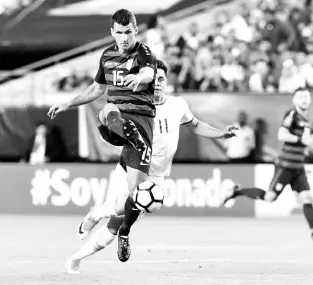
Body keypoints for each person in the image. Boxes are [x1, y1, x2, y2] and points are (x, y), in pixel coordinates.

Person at [65, 60, 237, 274]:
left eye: (161, 79)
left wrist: (221, 133)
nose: (157, 83)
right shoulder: (137, 106)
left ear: (167, 82)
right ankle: (95, 215)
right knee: (119, 208)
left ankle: (77, 257)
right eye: (153, 79)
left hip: (157, 176)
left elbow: (195, 125)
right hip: (131, 166)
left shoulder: (178, 105)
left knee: (113, 228)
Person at [48, 9, 157, 262]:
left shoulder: (144, 53)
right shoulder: (106, 56)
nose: (124, 38)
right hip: (119, 124)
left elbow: (149, 73)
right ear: (112, 33)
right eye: (119, 33)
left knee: (129, 203)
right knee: (107, 109)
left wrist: (139, 77)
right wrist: (68, 103)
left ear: (136, 30)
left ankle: (98, 217)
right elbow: (97, 88)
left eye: (128, 32)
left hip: (141, 130)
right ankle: (123, 128)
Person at [223, 88, 313, 243]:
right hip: (286, 166)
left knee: (307, 197)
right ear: (294, 100)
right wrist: (302, 140)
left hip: (298, 167)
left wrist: (309, 146)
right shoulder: (291, 115)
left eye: (307, 96)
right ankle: (238, 191)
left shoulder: (306, 121)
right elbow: (282, 135)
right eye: (300, 97)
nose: (304, 99)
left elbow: (300, 143)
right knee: (269, 197)